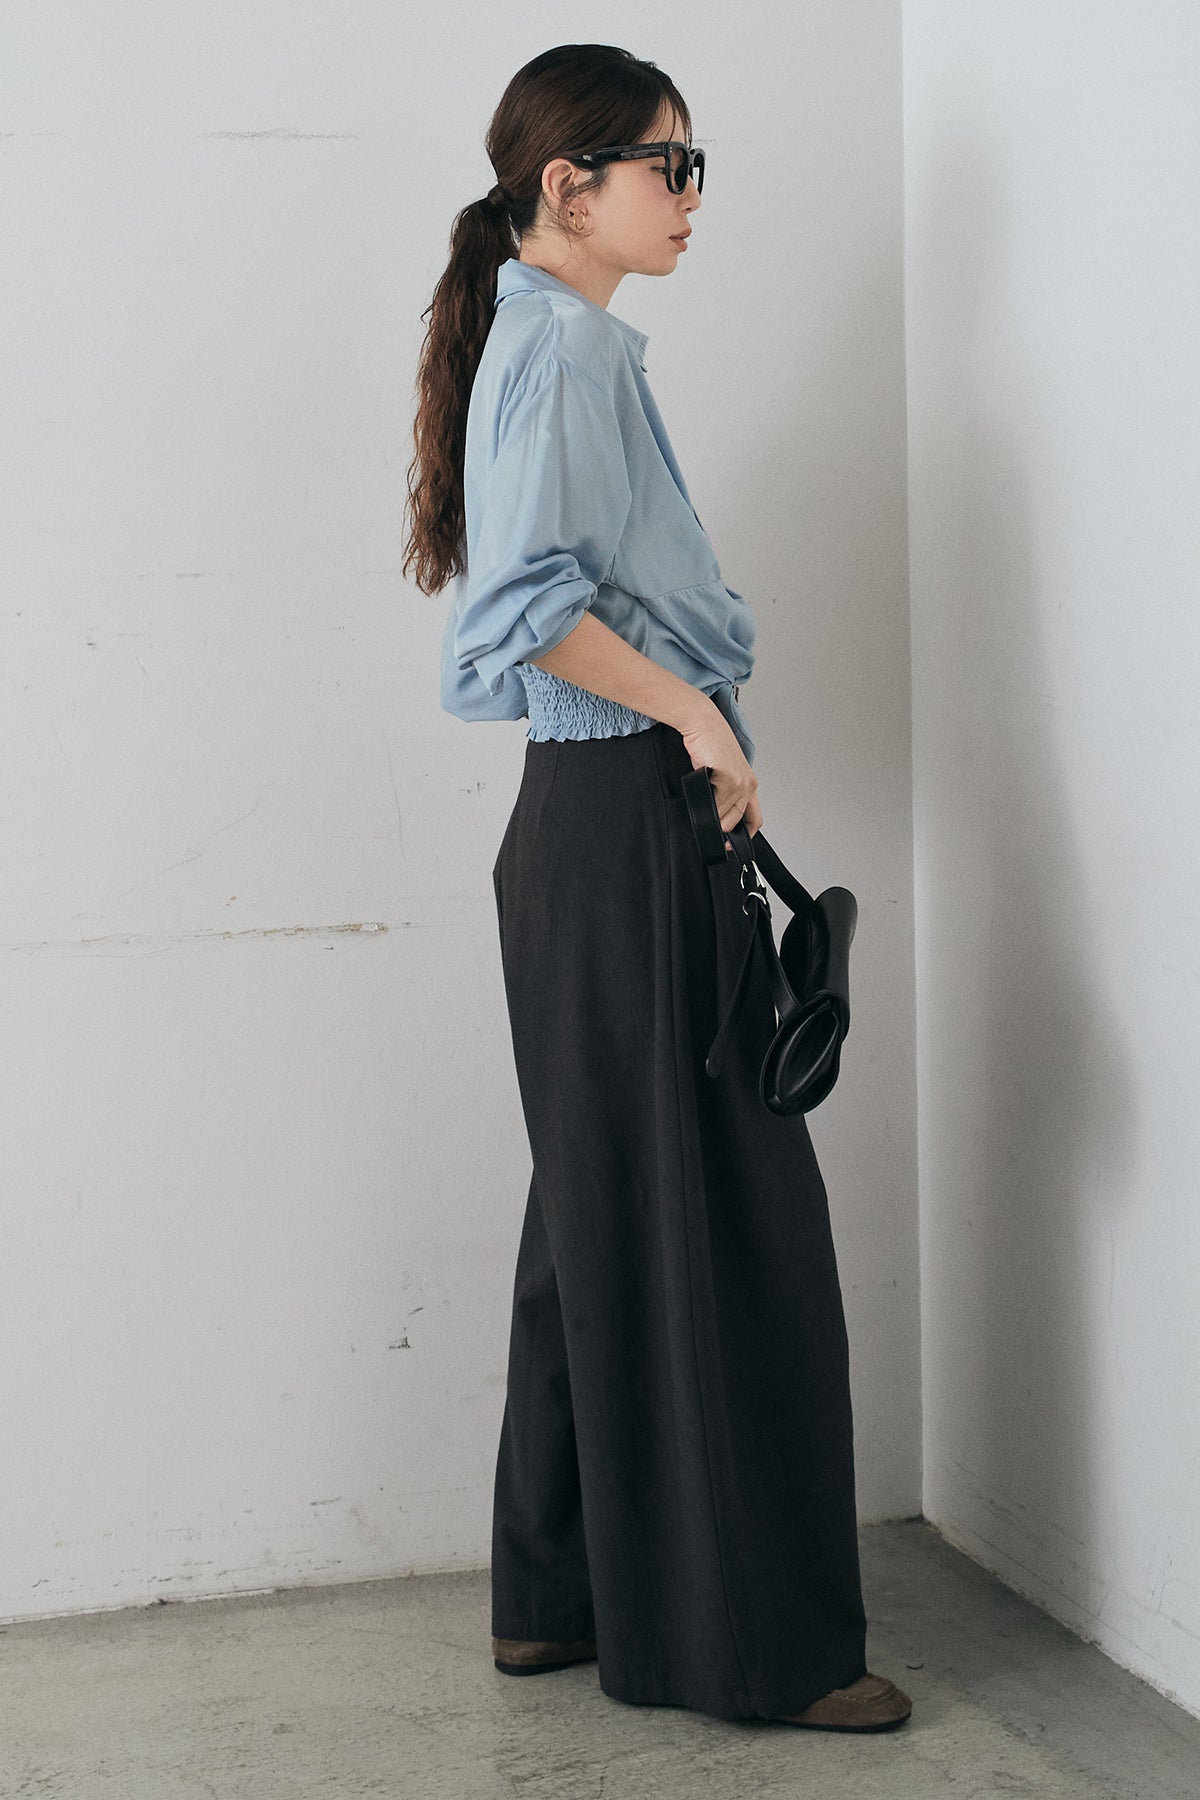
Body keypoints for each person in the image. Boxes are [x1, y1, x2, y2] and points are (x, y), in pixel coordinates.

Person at [403, 42, 912, 1732]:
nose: (693, 199)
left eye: (698, 167)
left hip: (594, 830)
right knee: (724, 1230)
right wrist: (696, 715)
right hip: (624, 819)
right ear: (571, 185)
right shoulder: (557, 349)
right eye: (668, 167)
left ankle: (553, 1597)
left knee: (600, 1208)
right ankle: (750, 1651)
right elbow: (520, 613)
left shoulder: (556, 338)